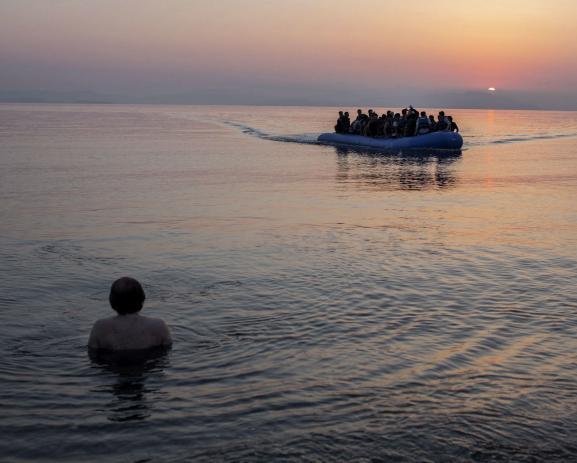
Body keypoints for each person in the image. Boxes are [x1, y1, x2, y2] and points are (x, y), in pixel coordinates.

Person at [88, 277, 172, 351]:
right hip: (146, 366)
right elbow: (166, 353)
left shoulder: (100, 327)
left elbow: (92, 354)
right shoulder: (158, 326)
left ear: (112, 301)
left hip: (113, 366)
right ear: (142, 299)